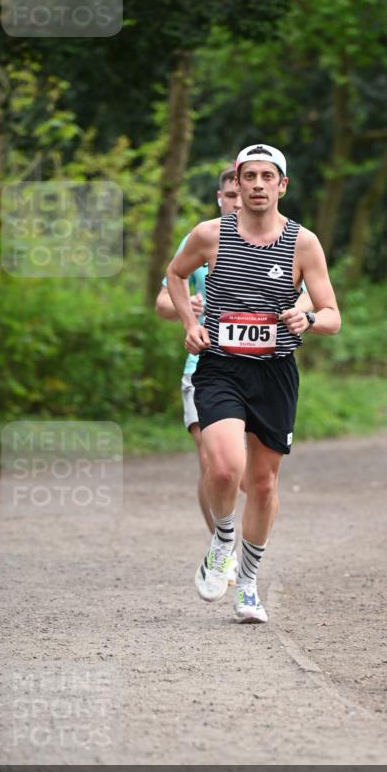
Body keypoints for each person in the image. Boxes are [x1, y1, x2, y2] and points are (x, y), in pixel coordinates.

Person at [166, 143, 341, 623]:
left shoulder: (303, 243)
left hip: (275, 373)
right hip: (221, 366)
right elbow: (175, 276)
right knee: (224, 470)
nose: (259, 185)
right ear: (236, 186)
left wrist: (308, 319)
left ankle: (247, 584)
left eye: (269, 177)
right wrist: (189, 323)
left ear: (282, 186)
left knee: (262, 483)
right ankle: (223, 537)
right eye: (251, 177)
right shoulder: (210, 235)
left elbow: (332, 314)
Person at [155, 166, 239, 532]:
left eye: (244, 193)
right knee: (212, 463)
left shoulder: (278, 238)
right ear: (220, 198)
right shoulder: (201, 238)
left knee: (248, 473)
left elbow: (304, 301)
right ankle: (222, 546)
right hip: (202, 367)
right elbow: (162, 304)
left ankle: (242, 539)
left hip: (259, 371)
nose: (239, 201)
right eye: (231, 195)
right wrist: (187, 305)